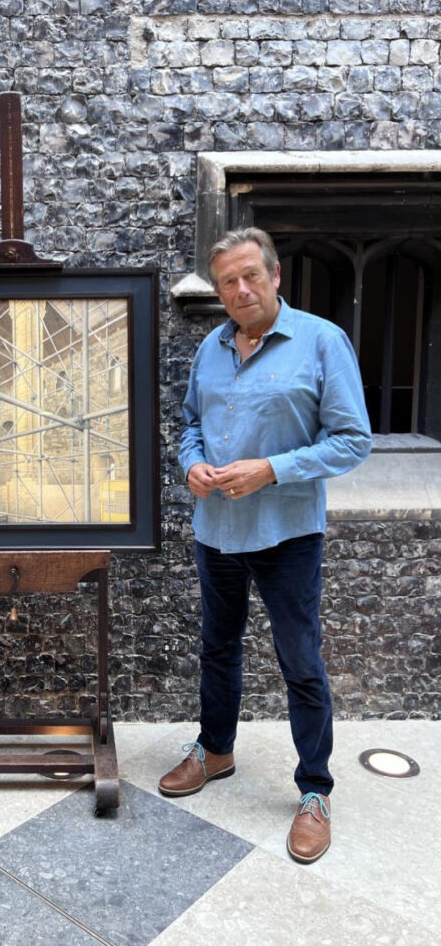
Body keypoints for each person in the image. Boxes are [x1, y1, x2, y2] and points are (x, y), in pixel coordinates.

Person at [159, 227, 371, 864]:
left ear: (276, 275)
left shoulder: (321, 341)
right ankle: (216, 749)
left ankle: (314, 790)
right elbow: (192, 423)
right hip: (217, 530)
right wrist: (190, 465)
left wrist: (270, 469)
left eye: (252, 275)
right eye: (229, 280)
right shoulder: (211, 348)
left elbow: (352, 440)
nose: (242, 289)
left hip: (287, 533)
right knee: (217, 647)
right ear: (219, 289)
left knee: (299, 660)